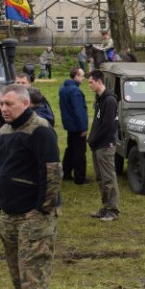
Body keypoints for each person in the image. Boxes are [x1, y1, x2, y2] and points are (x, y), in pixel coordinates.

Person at [0, 83, 61, 289]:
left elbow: (52, 173)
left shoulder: (40, 130)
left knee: (33, 277)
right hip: (9, 214)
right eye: (1, 104)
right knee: (18, 277)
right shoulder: (3, 131)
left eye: (9, 104)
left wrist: (41, 209)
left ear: (25, 103)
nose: (4, 109)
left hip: (34, 217)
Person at [87, 70, 120, 220]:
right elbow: (97, 122)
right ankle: (105, 206)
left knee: (108, 178)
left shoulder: (110, 101)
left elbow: (107, 126)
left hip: (105, 145)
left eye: (91, 82)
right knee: (100, 178)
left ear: (99, 81)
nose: (89, 85)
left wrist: (95, 140)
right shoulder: (99, 99)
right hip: (97, 145)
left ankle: (113, 210)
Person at [59, 67, 89, 185]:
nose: (84, 78)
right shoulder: (75, 91)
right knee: (80, 152)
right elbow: (79, 111)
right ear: (76, 76)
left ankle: (66, 173)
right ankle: (80, 177)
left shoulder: (63, 88)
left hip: (69, 125)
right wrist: (83, 128)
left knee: (70, 149)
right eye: (82, 75)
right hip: (77, 127)